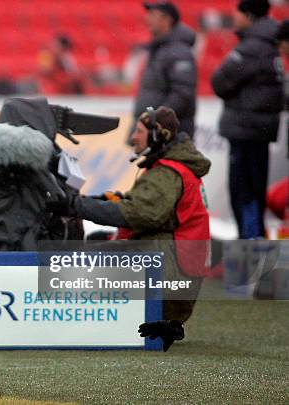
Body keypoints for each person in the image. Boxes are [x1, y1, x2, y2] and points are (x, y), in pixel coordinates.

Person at [49, 106, 211, 351]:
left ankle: (69, 325)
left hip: (169, 275)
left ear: (158, 135)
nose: (132, 137)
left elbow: (140, 214)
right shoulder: (173, 169)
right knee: (98, 242)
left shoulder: (167, 173)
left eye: (138, 131)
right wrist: (112, 199)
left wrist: (75, 205)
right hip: (176, 271)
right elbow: (150, 208)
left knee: (86, 259)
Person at [211, 0, 284, 239]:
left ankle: (249, 256)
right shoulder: (270, 45)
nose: (234, 18)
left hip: (245, 130)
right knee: (254, 193)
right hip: (259, 130)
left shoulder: (251, 48)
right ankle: (255, 253)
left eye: (237, 13)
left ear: (248, 16)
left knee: (244, 195)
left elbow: (219, 81)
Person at [133, 1, 197, 138]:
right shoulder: (160, 48)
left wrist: (155, 120)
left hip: (168, 134)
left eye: (152, 14)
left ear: (167, 19)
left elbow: (182, 93)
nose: (147, 18)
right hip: (155, 132)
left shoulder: (179, 51)